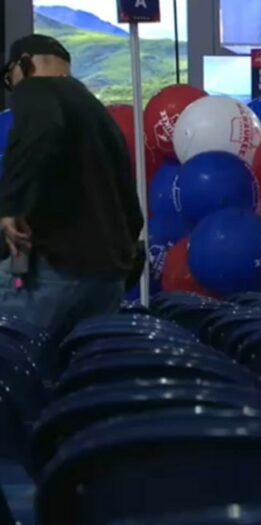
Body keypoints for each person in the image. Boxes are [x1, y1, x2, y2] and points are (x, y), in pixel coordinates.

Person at [0, 34, 143, 340]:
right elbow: (131, 205)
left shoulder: (37, 89)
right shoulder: (97, 112)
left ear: (24, 65)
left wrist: (12, 207)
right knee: (77, 369)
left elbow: (43, 130)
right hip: (107, 279)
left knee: (17, 365)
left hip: (55, 271)